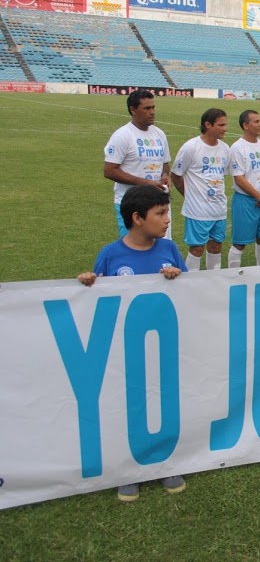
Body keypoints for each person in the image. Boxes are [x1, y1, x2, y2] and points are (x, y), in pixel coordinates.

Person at [77, 185, 188, 502]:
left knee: (163, 401)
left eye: (167, 212)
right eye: (160, 213)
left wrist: (179, 277)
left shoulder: (169, 249)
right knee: (129, 405)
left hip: (163, 346)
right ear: (137, 218)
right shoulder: (111, 255)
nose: (167, 219)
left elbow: (192, 291)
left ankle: (164, 462)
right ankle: (127, 470)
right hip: (124, 350)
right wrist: (87, 284)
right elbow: (95, 302)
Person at [103, 89, 172, 238]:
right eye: (147, 108)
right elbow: (109, 170)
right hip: (131, 203)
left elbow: (164, 163)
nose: (152, 112)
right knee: (134, 246)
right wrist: (144, 183)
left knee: (160, 246)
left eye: (153, 107)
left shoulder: (159, 134)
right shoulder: (122, 135)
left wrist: (165, 175)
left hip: (157, 203)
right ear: (133, 110)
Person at [171, 108, 229, 270]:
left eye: (225, 124)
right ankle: (190, 281)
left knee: (216, 246)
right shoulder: (191, 147)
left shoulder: (225, 148)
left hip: (219, 209)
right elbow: (175, 175)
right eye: (221, 125)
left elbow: (221, 175)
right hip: (198, 211)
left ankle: (213, 279)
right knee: (197, 249)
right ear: (208, 125)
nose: (225, 129)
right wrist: (189, 195)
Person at [227, 109, 260, 268]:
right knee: (239, 242)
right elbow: (239, 178)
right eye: (256, 122)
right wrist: (259, 197)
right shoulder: (237, 148)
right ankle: (233, 275)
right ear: (245, 125)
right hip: (246, 200)